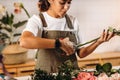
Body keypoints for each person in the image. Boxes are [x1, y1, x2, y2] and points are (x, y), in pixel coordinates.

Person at [19, 0, 115, 73]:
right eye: (62, 2)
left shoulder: (73, 22)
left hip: (71, 75)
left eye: (69, 2)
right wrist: (58, 43)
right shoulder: (38, 20)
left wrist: (99, 41)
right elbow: (24, 41)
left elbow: (81, 53)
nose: (66, 7)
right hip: (46, 75)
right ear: (50, 0)